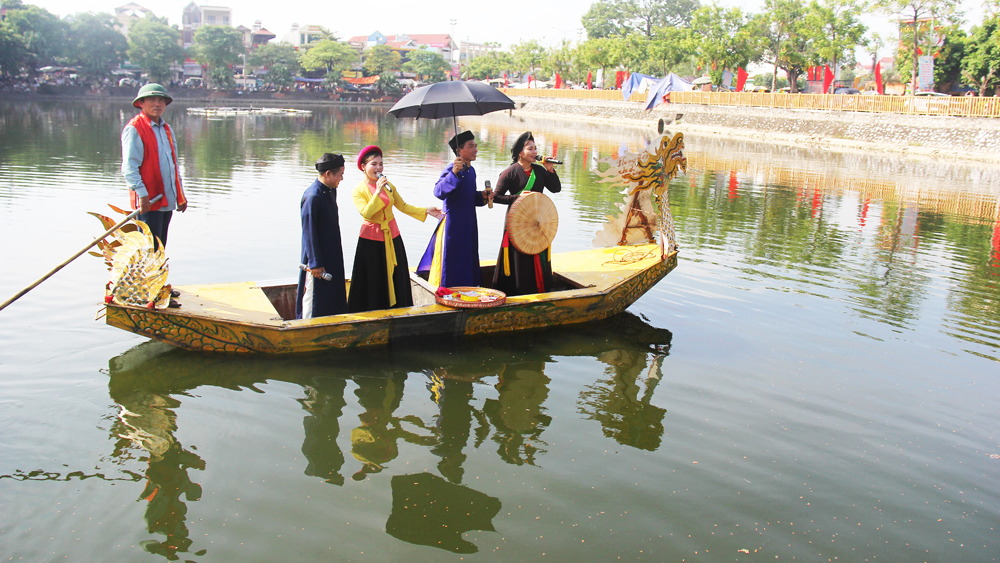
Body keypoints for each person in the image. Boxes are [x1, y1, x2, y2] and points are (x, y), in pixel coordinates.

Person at [347, 145, 443, 312]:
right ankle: (373, 310)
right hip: (371, 239)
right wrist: (377, 192)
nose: (378, 168)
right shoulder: (358, 190)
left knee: (397, 274)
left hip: (392, 236)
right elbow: (367, 213)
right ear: (363, 167)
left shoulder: (389, 185)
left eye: (381, 164)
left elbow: (403, 206)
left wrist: (426, 210)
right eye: (374, 164)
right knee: (375, 277)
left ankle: (399, 308)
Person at [417, 131, 492, 288]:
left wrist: (483, 196)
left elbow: (469, 197)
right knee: (453, 261)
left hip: (469, 224)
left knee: (468, 258)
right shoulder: (451, 169)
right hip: (453, 225)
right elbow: (438, 192)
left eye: (476, 146)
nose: (475, 150)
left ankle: (468, 290)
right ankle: (449, 292)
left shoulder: (471, 171)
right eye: (471, 146)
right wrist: (453, 174)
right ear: (459, 150)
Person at [490, 132, 561, 295]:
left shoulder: (540, 171)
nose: (535, 152)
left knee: (538, 250)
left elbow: (556, 189)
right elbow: (496, 197)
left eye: (536, 148)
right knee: (519, 256)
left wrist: (550, 170)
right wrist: (518, 197)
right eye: (530, 149)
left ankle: (540, 288)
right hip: (518, 221)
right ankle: (517, 290)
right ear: (520, 153)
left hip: (538, 220)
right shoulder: (510, 172)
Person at [121, 83, 187, 251]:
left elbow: (173, 165)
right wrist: (142, 195)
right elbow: (129, 168)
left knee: (159, 248)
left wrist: (180, 195)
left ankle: (155, 276)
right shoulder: (135, 128)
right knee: (147, 250)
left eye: (161, 100)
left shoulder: (166, 129)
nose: (157, 104)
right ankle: (143, 278)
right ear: (141, 103)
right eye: (152, 100)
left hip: (165, 199)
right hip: (148, 201)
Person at [296, 153, 348, 319]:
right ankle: (306, 327)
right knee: (314, 295)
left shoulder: (330, 191)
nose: (342, 178)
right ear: (328, 174)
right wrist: (316, 263)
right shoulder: (313, 197)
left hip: (331, 253)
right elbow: (309, 232)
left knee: (332, 294)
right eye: (340, 175)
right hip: (317, 259)